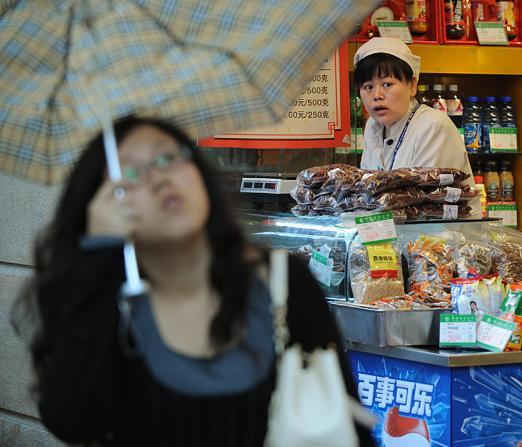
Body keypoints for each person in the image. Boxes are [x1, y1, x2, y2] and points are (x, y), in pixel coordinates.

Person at [13, 117, 374, 446]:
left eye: (167, 158)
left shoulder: (283, 281)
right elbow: (72, 421)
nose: (159, 178)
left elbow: (348, 427)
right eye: (131, 175)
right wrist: (96, 259)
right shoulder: (110, 302)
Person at [353, 37, 472, 177]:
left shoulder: (434, 126)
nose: (377, 95)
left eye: (387, 84)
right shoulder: (372, 125)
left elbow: (428, 195)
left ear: (412, 85)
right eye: (368, 87)